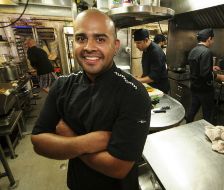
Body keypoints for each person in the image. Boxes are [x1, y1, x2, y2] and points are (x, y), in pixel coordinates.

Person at [31, 9, 151, 190]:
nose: (89, 47)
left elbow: (119, 168)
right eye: (81, 38)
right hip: (77, 185)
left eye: (100, 39)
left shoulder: (134, 93)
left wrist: (69, 137)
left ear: (116, 45)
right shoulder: (62, 85)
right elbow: (38, 142)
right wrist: (87, 142)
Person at [186, 28, 224, 124]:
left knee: (192, 110)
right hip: (204, 90)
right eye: (212, 39)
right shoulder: (206, 52)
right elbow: (205, 75)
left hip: (194, 87)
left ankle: (186, 126)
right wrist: (220, 77)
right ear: (209, 38)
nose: (213, 42)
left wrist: (211, 67)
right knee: (207, 114)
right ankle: (207, 132)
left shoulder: (194, 50)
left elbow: (197, 67)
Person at [133, 29, 170, 94]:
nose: (136, 46)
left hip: (159, 89)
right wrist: (139, 78)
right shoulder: (145, 49)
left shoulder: (155, 52)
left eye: (138, 43)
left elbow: (153, 77)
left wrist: (137, 80)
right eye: (135, 43)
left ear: (146, 40)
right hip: (151, 86)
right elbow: (147, 69)